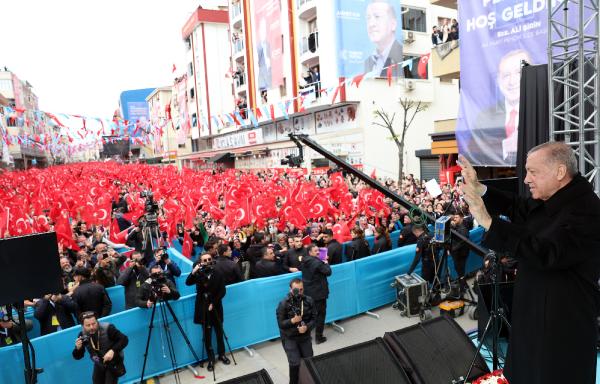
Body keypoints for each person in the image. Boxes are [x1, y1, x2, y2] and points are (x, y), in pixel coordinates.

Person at [458, 142, 600, 384]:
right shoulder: (556, 197)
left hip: (561, 330)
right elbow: (518, 207)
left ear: (559, 172)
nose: (526, 179)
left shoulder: (586, 210)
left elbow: (547, 252)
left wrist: (488, 221)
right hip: (534, 318)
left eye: (533, 172)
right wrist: (479, 188)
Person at [470, 49, 533, 166]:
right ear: (499, 80)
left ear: (533, 75)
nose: (512, 81)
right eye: (506, 75)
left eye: (519, 73)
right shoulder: (483, 117)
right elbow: (475, 153)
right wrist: (506, 146)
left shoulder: (545, 111)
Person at [186, 253, 230, 371]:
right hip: (203, 308)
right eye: (205, 260)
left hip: (216, 307)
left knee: (219, 333)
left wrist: (213, 303)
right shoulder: (198, 273)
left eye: (209, 259)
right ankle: (211, 359)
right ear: (201, 262)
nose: (207, 261)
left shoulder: (218, 272)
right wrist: (194, 271)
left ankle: (222, 354)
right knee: (207, 336)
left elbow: (222, 291)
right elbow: (188, 282)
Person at [276, 278, 316, 384]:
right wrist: (292, 320)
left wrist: (307, 327)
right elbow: (281, 324)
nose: (299, 292)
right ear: (290, 290)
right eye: (296, 290)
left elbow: (315, 319)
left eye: (301, 290)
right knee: (295, 364)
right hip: (290, 338)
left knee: (309, 361)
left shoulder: (309, 300)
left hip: (305, 336)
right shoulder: (283, 304)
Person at [72, 312, 129, 384]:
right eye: (88, 325)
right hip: (98, 362)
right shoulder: (82, 335)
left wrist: (112, 351)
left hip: (113, 361)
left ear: (97, 321)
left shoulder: (108, 328)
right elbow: (77, 356)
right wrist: (78, 348)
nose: (92, 327)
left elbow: (124, 339)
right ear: (82, 326)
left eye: (94, 323)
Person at [363, 0, 403, 77]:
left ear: (393, 24)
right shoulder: (368, 62)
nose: (371, 24)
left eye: (377, 16)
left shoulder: (402, 55)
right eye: (368, 18)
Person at [301, 244, 331, 344]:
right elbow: (328, 271)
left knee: (309, 314)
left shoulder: (304, 260)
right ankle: (319, 337)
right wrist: (326, 262)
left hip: (308, 292)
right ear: (310, 252)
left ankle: (305, 335)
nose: (318, 252)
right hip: (319, 293)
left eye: (318, 250)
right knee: (320, 315)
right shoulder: (317, 262)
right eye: (315, 251)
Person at [449, 212, 470, 291]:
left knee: (460, 269)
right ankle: (464, 284)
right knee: (459, 269)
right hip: (457, 252)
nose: (455, 219)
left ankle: (463, 286)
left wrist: (453, 248)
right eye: (454, 217)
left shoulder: (464, 228)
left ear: (461, 218)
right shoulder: (456, 227)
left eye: (457, 217)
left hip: (461, 253)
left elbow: (462, 242)